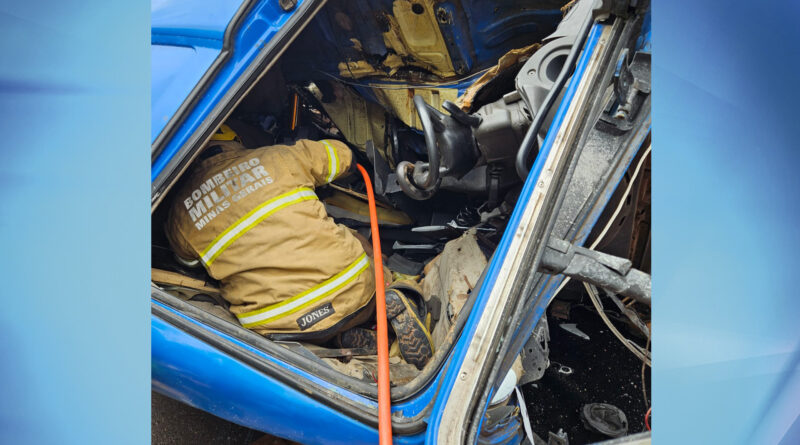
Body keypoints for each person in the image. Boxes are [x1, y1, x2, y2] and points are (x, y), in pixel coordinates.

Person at [165, 129, 433, 368]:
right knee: (354, 239)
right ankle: (395, 292)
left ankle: (340, 340)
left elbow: (188, 263)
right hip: (355, 294)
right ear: (235, 140)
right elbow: (344, 156)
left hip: (280, 327)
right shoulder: (279, 157)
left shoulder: (178, 217)